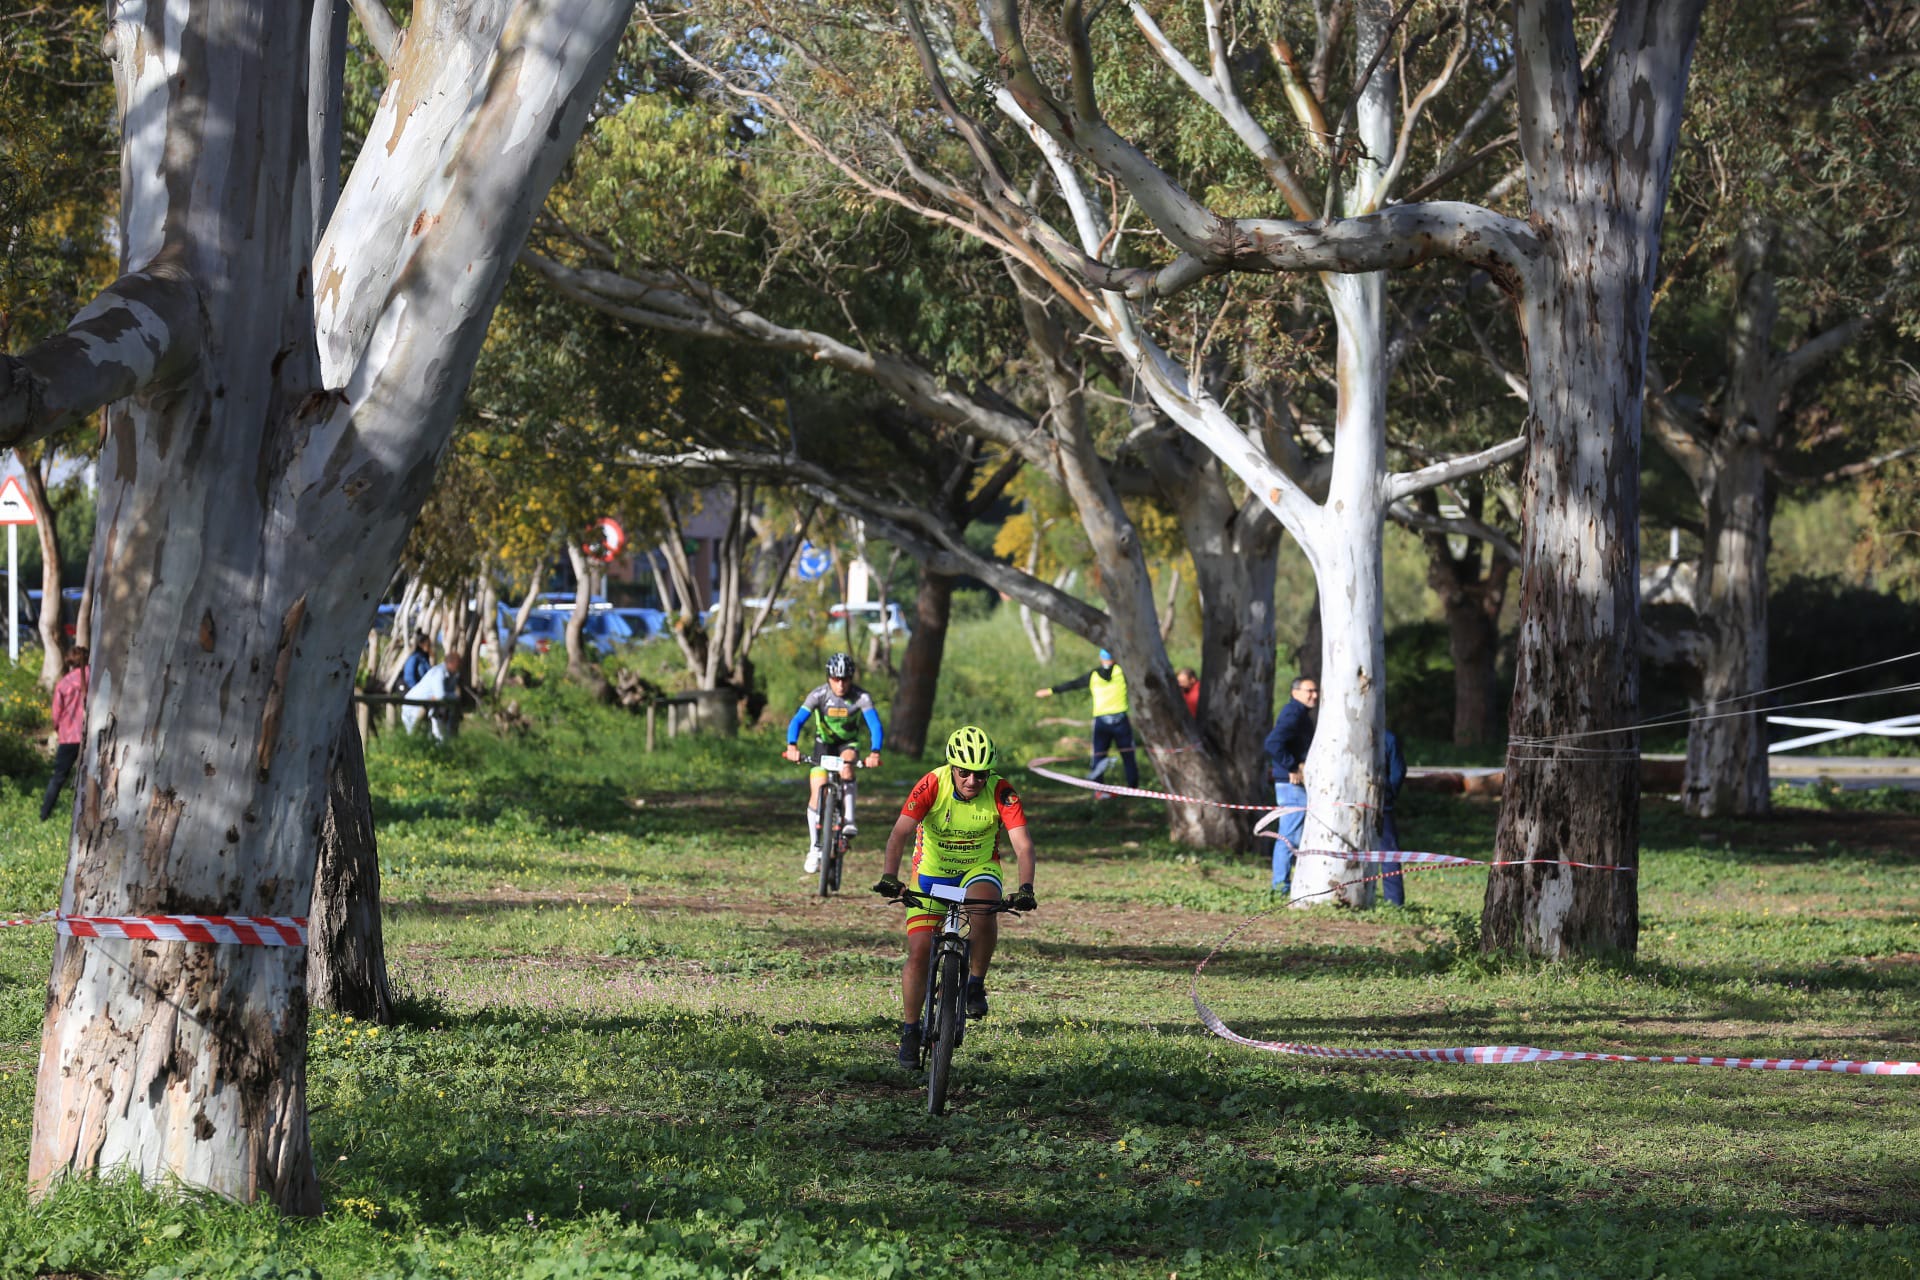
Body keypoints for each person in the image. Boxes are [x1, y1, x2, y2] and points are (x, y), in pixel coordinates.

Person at [873, 725, 1037, 1070]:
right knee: (918, 952)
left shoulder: (1001, 791)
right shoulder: (932, 783)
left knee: (983, 910)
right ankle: (910, 1030)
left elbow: (1022, 844)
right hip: (931, 873)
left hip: (978, 867)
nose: (973, 781)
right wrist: (891, 876)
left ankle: (975, 984)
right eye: (965, 773)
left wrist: (1026, 888)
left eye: (980, 774)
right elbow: (900, 832)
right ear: (952, 767)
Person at [781, 651, 883, 875]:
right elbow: (798, 720)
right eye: (836, 679)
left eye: (845, 679)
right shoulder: (818, 694)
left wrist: (875, 752)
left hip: (848, 745)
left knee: (847, 767)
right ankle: (814, 848)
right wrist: (792, 746)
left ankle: (849, 820)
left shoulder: (861, 697)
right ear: (828, 678)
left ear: (851, 678)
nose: (840, 684)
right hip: (823, 747)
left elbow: (874, 725)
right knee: (817, 792)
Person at [1034, 648, 1138, 794]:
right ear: (1114, 658)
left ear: (1101, 658)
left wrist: (1050, 691)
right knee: (1128, 755)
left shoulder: (1094, 675)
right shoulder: (1122, 672)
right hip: (1121, 720)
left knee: (1099, 756)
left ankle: (1098, 790)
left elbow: (1073, 684)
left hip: (1102, 722)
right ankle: (1133, 789)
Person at [1263, 674, 1319, 892]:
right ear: (1295, 693)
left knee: (1294, 834)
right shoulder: (1293, 713)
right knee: (1289, 836)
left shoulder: (1301, 714)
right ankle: (1280, 887)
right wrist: (1292, 766)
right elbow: (1273, 743)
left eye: (1316, 691)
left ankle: (1289, 884)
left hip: (1293, 784)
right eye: (1309, 691)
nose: (1314, 695)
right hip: (1290, 785)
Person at [41, 645, 89, 822]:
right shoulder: (96, 676)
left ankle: (44, 814)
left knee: (58, 777)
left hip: (69, 736)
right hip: (92, 735)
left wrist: (58, 729)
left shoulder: (64, 683)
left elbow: (56, 714)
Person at [402, 650, 466, 740]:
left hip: (430, 707)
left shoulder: (453, 675)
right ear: (451, 663)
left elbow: (446, 696)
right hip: (413, 707)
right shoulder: (438, 672)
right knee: (414, 736)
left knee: (431, 736)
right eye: (458, 664)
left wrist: (452, 696)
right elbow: (441, 696)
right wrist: (453, 696)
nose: (460, 667)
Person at [1377, 728, 1408, 906]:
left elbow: (1398, 771)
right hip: (1383, 805)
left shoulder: (1388, 738)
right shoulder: (1388, 737)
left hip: (1360, 806)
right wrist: (1388, 795)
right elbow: (1398, 771)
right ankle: (1394, 902)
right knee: (1389, 855)